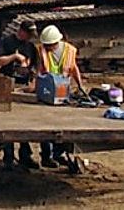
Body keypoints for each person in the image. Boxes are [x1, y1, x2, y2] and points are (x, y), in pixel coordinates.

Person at [37, 24, 84, 169]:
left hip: (63, 91)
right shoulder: (42, 50)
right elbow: (40, 70)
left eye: (49, 45)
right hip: (47, 92)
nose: (47, 48)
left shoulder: (69, 50)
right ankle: (46, 157)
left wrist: (80, 85)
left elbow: (73, 67)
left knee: (62, 127)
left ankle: (58, 154)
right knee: (45, 128)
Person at [0, 22, 39, 170]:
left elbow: (34, 69)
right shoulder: (7, 42)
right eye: (28, 34)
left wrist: (32, 82)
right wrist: (14, 56)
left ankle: (25, 156)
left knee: (24, 125)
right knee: (9, 124)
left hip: (23, 88)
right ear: (21, 31)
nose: (29, 38)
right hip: (7, 85)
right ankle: (8, 157)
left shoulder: (31, 47)